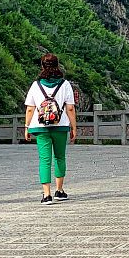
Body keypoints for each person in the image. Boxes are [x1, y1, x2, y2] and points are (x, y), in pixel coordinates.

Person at [23, 53, 76, 205]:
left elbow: (30, 109)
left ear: (42, 66)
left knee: (45, 160)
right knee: (60, 157)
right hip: (60, 126)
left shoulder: (36, 85)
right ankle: (59, 190)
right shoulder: (65, 84)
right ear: (57, 65)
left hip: (40, 127)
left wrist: (27, 127)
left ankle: (47, 194)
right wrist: (73, 127)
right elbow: (70, 109)